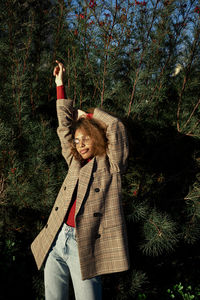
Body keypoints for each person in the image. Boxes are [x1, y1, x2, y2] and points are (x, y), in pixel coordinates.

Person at [31, 61, 130, 300]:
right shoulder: (74, 162)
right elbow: (64, 129)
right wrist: (60, 84)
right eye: (77, 141)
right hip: (57, 237)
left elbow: (116, 126)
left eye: (86, 138)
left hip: (83, 244)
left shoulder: (111, 166)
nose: (81, 144)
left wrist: (89, 115)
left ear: (96, 137)